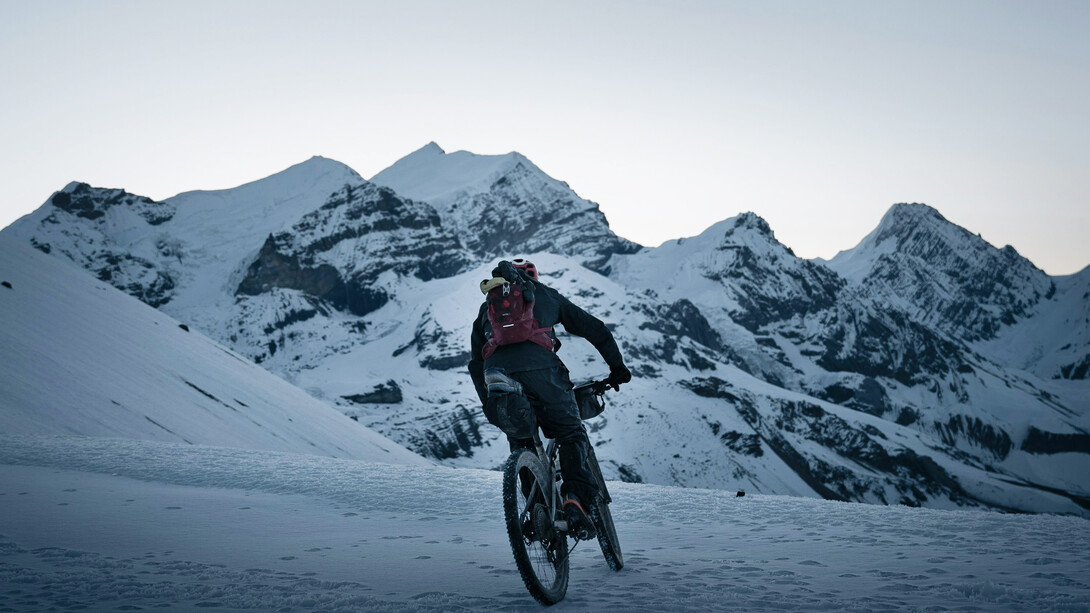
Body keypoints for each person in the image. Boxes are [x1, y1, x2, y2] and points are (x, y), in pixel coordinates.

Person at [469, 258, 632, 539]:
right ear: (533, 278)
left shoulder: (487, 310)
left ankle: (536, 513)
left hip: (497, 377)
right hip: (543, 374)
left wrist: (490, 406)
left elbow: (475, 364)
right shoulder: (545, 295)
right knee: (570, 433)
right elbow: (595, 329)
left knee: (522, 442)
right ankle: (574, 499)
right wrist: (617, 368)